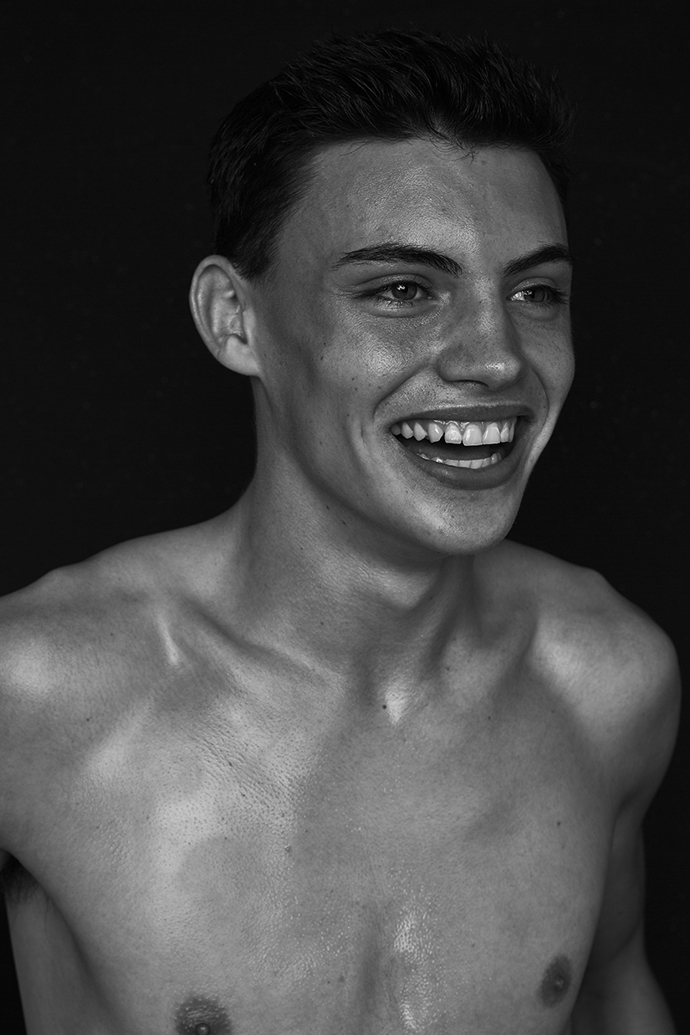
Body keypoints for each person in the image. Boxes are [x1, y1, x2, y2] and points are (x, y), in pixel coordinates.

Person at [0, 28, 680, 1035]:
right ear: (235, 321)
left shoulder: (607, 683)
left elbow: (617, 996)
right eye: (402, 290)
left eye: (535, 292)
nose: (497, 359)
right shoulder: (37, 695)